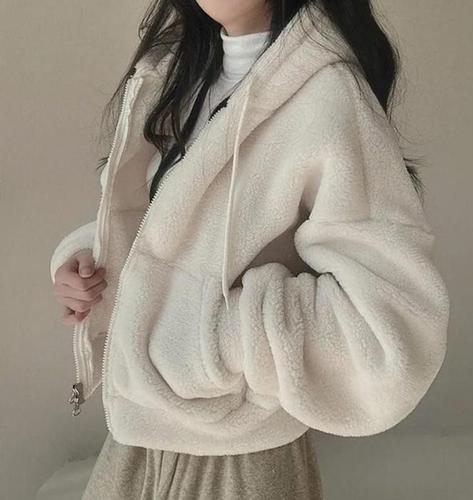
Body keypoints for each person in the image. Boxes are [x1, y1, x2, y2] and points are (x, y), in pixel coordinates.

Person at [49, 1, 450, 498]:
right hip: (137, 436)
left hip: (239, 454)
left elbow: (391, 324)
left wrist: (220, 340)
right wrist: (91, 258)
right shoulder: (179, 77)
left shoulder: (327, 95)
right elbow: (173, 230)